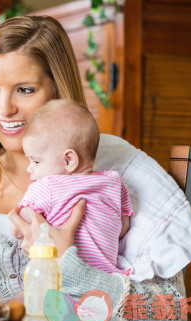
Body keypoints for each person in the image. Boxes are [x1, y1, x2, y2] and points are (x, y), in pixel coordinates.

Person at [0, 15, 186, 317]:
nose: (4, 108)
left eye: (24, 90)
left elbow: (171, 306)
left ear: (58, 90)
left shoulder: (115, 175)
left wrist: (68, 263)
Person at [15, 99, 133, 275]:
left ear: (69, 160)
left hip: (59, 281)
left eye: (36, 161)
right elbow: (123, 227)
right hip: (107, 280)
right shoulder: (114, 182)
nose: (29, 168)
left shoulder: (47, 186)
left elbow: (19, 230)